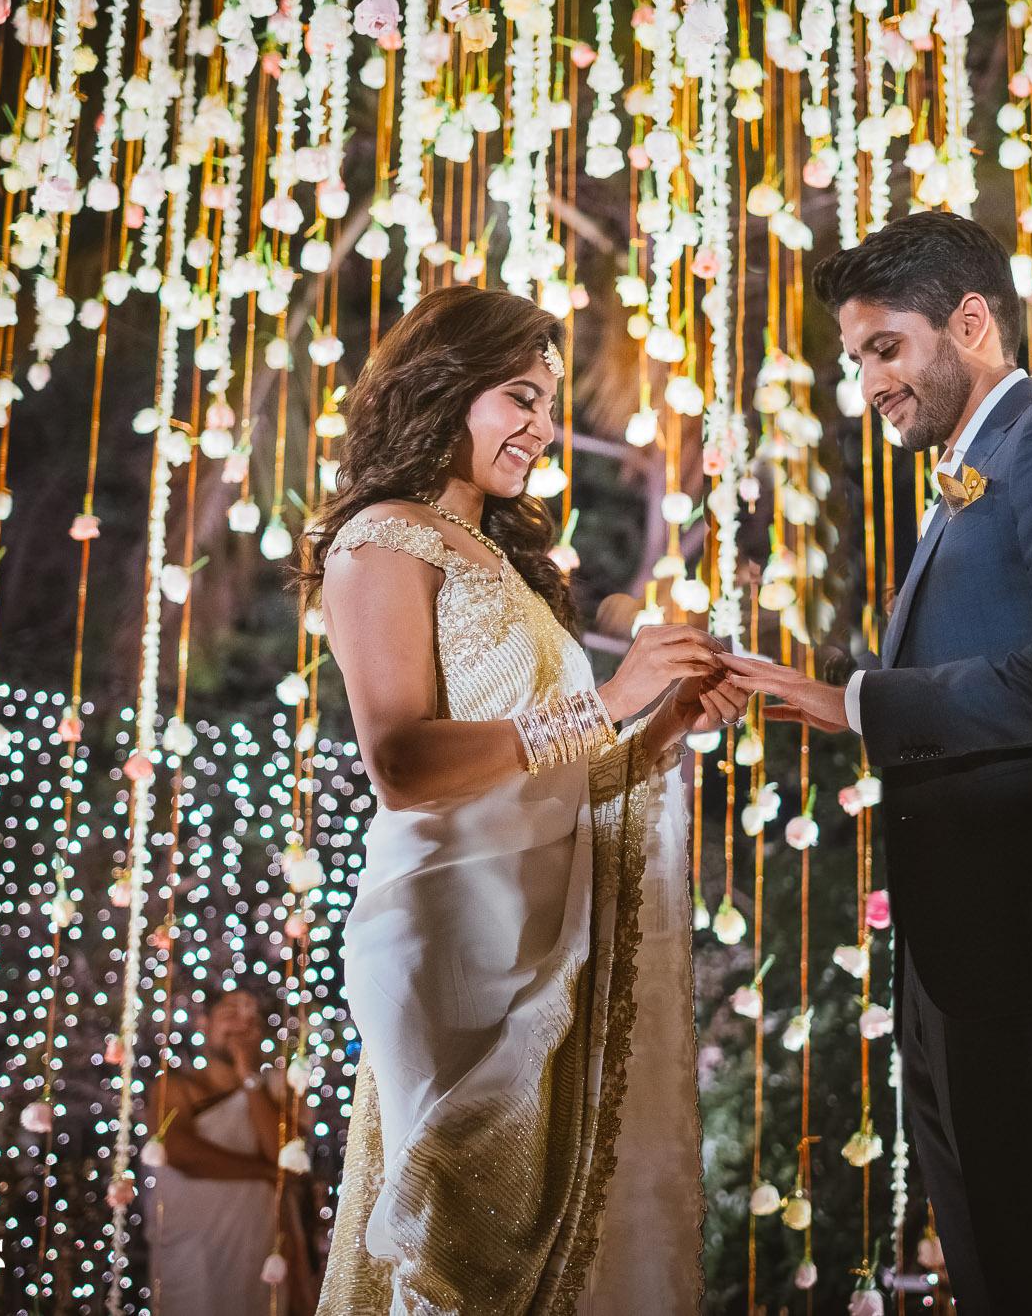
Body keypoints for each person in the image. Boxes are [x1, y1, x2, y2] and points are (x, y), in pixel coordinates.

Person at [720, 211, 1032, 1316]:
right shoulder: (969, 479)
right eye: (856, 359)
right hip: (960, 959)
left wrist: (858, 701)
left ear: (970, 321)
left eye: (886, 348)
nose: (869, 383)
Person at [295, 283, 743, 1316]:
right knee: (463, 1227)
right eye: (520, 398)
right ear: (442, 388)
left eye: (548, 404)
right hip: (452, 930)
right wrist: (612, 700)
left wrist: (659, 728)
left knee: (545, 1238)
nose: (543, 428)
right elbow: (401, 764)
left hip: (538, 920)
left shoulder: (503, 562)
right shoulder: (380, 541)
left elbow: (552, 771)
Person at [144, 985, 318, 1316]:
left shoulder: (280, 1087)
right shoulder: (176, 1087)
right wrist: (264, 1171)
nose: (240, 1027)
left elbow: (284, 1155)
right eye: (230, 1015)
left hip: (258, 1247)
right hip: (191, 1250)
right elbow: (180, 1153)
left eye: (251, 1021)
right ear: (204, 1023)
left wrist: (249, 1077)